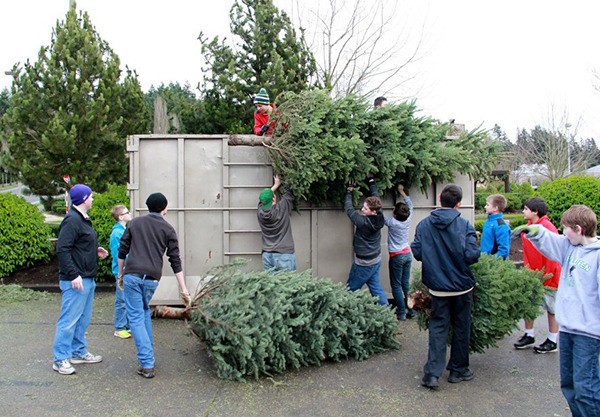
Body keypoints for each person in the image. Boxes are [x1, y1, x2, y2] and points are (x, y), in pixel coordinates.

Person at [513, 205, 600, 417]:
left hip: (588, 333)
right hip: (569, 329)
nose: (562, 233)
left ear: (578, 229)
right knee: (568, 385)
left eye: (566, 229)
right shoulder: (570, 247)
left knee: (585, 389)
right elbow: (552, 241)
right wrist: (536, 231)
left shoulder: (596, 256)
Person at [411, 184, 480, 389]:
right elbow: (471, 255)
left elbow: (417, 253)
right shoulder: (465, 226)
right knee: (461, 327)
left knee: (438, 328)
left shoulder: (424, 225)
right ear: (458, 203)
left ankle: (432, 375)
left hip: (437, 288)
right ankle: (458, 370)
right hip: (462, 287)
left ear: (440, 198)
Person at [117, 192, 191, 379]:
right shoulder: (168, 229)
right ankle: (148, 357)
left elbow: (122, 249)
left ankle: (147, 363)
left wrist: (120, 274)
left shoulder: (135, 223)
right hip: (152, 279)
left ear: (148, 206)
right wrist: (183, 288)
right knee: (142, 312)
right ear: (164, 208)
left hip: (132, 275)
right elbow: (175, 260)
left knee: (135, 317)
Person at [52, 184, 109, 375]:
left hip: (87, 278)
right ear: (84, 199)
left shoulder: (83, 219)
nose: (93, 199)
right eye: (91, 196)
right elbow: (63, 249)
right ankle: (60, 359)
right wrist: (73, 274)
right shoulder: (72, 220)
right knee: (68, 321)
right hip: (76, 281)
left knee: (82, 320)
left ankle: (78, 351)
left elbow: (77, 245)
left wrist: (94, 250)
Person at [513, 197, 562, 353]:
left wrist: (547, 276)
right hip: (533, 274)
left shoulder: (548, 228)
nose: (523, 211)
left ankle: (552, 340)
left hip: (549, 277)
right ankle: (529, 334)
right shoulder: (528, 227)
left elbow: (553, 254)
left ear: (535, 212)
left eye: (526, 209)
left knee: (552, 308)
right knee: (529, 305)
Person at [345, 176, 388, 305]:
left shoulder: (363, 222)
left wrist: (348, 191)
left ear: (373, 212)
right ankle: (386, 313)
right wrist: (371, 181)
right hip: (375, 260)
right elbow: (376, 196)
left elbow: (349, 210)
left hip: (364, 263)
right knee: (376, 289)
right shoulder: (380, 215)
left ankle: (344, 313)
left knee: (350, 290)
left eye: (365, 209)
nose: (362, 210)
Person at [384, 184, 415, 320]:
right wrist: (402, 191)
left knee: (396, 285)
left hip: (396, 256)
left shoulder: (392, 222)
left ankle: (401, 312)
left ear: (395, 214)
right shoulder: (407, 219)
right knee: (405, 283)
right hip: (407, 255)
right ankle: (412, 311)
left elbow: (378, 214)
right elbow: (410, 204)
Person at [257, 175, 296, 272]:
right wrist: (279, 182)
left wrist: (275, 185)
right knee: (288, 285)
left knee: (270, 286)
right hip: (284, 255)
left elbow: (263, 200)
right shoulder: (281, 208)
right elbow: (289, 193)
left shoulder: (260, 212)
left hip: (267, 255)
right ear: (274, 198)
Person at [109, 204, 132, 339]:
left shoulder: (123, 230)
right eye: (127, 212)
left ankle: (125, 326)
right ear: (121, 217)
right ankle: (119, 327)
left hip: (124, 270)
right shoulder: (117, 233)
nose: (130, 213)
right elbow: (118, 254)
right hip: (121, 270)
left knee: (126, 299)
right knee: (122, 300)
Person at [480, 194, 511, 259]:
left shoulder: (501, 226)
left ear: (495, 208)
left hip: (492, 264)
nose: (485, 207)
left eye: (488, 205)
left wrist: (490, 261)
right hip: (484, 262)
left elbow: (504, 251)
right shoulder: (487, 222)